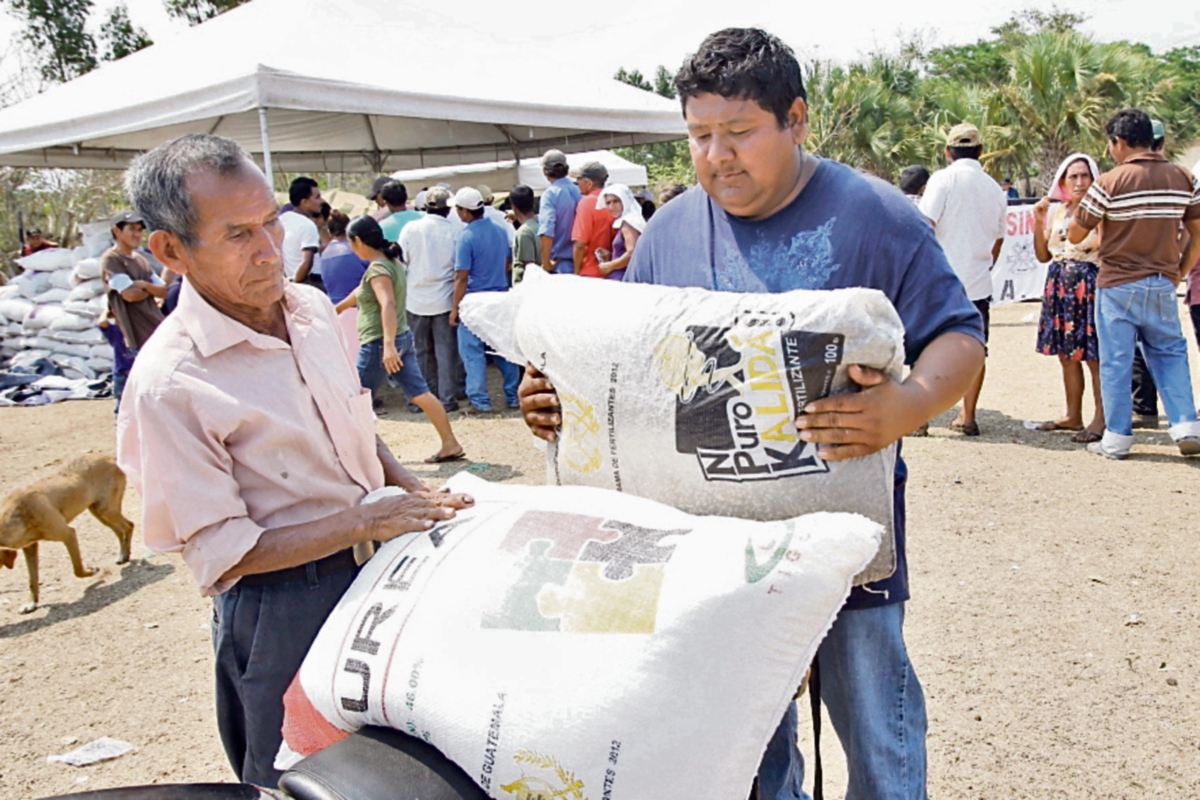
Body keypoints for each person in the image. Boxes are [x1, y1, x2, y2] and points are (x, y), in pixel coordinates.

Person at [519, 28, 984, 800]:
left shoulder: (875, 216)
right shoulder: (668, 231)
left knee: (874, 715)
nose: (716, 157)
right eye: (700, 136)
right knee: (742, 728)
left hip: (845, 532)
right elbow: (624, 361)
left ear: (795, 119)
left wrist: (904, 404)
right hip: (712, 543)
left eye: (739, 133)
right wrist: (553, 397)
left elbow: (958, 335)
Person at [116, 133, 472, 787]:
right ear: (170, 250)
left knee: (399, 765)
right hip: (284, 606)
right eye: (236, 235)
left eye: (271, 225)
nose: (267, 251)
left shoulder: (305, 307)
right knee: (302, 776)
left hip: (380, 572)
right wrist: (366, 522)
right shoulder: (171, 383)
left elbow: (349, 425)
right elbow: (226, 551)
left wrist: (408, 488)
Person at [1069, 108, 1200, 459]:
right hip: (1161, 280)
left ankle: (1117, 436)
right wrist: (1179, 270)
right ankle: (1186, 424)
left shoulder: (1110, 181)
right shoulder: (1182, 177)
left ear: (1119, 142)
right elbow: (1196, 232)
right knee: (1170, 352)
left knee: (1116, 359)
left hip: (1117, 284)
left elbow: (1076, 231)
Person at [333, 215, 465, 461]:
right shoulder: (389, 262)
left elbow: (388, 304)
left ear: (359, 241)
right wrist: (338, 309)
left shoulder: (378, 268)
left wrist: (388, 346)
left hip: (379, 343)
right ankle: (450, 443)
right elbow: (364, 292)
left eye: (351, 243)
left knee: (353, 399)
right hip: (399, 338)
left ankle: (352, 456)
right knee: (420, 393)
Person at [919, 122, 1007, 436]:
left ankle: (922, 417)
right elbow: (998, 241)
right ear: (981, 152)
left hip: (938, 282)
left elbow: (925, 227)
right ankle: (967, 415)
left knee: (926, 347)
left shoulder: (941, 180)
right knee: (975, 349)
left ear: (947, 151)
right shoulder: (994, 188)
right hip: (977, 284)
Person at [1030, 154, 1105, 443]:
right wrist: (1038, 223)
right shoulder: (1059, 212)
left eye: (1084, 176)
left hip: (1087, 285)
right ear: (1063, 181)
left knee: (1093, 356)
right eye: (1072, 177)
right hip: (1059, 284)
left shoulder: (1097, 211)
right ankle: (1073, 414)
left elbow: (1101, 243)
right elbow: (1042, 254)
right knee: (1066, 355)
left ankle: (1101, 416)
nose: (1079, 182)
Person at [450, 187, 521, 412]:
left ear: (465, 211)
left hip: (474, 300)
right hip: (499, 296)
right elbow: (508, 263)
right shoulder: (500, 230)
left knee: (473, 353)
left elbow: (461, 276)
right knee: (504, 350)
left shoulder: (466, 236)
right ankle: (513, 396)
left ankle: (479, 401)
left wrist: (454, 309)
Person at [397, 186, 463, 412]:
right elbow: (458, 270)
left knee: (419, 353)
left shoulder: (410, 229)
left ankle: (420, 400)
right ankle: (447, 399)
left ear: (425, 206)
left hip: (416, 299)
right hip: (444, 300)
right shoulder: (455, 232)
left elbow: (402, 261)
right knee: (445, 352)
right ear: (447, 209)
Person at [101, 209, 165, 412]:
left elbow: (162, 290)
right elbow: (129, 295)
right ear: (116, 231)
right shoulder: (112, 260)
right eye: (132, 229)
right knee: (127, 392)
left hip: (153, 330)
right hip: (131, 335)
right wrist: (145, 288)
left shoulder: (141, 260)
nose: (137, 234)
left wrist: (142, 285)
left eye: (139, 230)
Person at [321, 210, 369, 366]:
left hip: (335, 310)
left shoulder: (325, 253)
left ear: (329, 232)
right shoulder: (357, 251)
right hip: (359, 308)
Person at [537, 149, 581, 274]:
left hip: (559, 266)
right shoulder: (580, 191)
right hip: (582, 262)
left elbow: (547, 230)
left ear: (545, 170)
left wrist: (546, 263)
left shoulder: (550, 194)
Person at [569, 161, 615, 278]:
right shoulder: (614, 201)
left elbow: (579, 244)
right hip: (613, 270)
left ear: (589, 183)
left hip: (591, 271)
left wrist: (576, 272)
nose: (576, 183)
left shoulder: (587, 202)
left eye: (578, 180)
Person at [595, 183, 645, 281]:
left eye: (616, 201)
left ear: (624, 201)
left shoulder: (628, 222)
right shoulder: (633, 220)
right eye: (608, 203)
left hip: (623, 278)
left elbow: (632, 252)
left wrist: (610, 265)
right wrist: (611, 255)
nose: (611, 207)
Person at [281, 177, 322, 282]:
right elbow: (306, 262)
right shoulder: (307, 225)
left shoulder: (282, 220)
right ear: (305, 202)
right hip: (310, 281)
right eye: (317, 197)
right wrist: (296, 286)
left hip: (289, 279)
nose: (321, 201)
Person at [509, 184, 540, 285]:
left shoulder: (524, 232)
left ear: (514, 207)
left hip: (526, 288)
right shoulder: (541, 223)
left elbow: (528, 267)